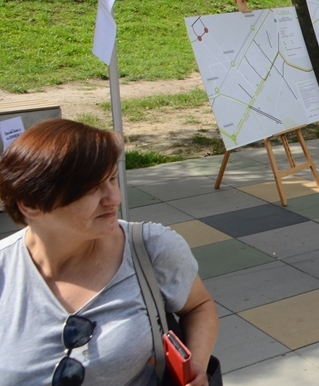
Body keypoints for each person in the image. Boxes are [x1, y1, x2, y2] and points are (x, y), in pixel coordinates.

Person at [0, 119, 218, 386]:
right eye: (91, 188)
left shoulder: (150, 248)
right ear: (30, 204)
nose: (114, 198)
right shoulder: (5, 268)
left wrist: (195, 366)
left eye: (112, 179)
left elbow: (198, 306)